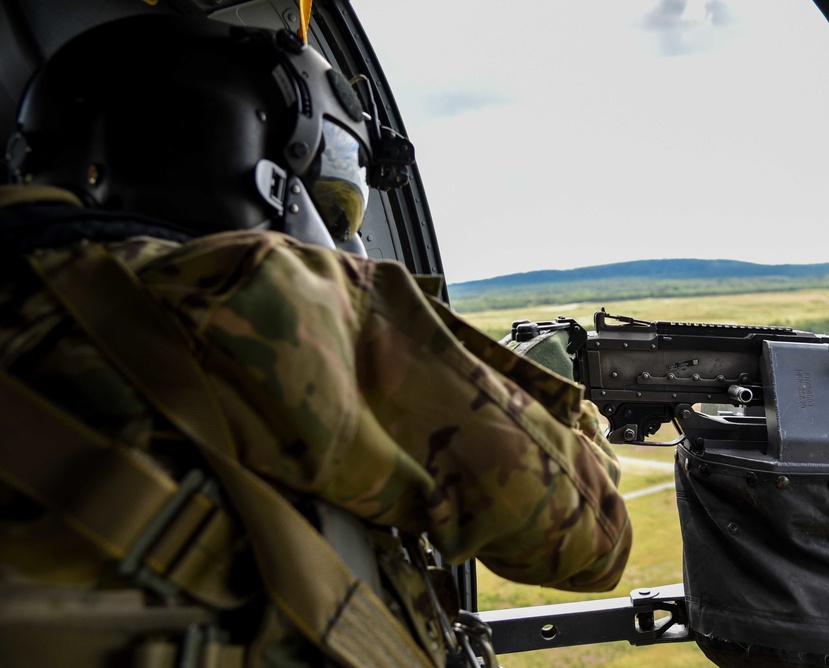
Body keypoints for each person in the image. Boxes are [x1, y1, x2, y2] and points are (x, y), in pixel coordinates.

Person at [0, 15, 631, 667]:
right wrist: (557, 402)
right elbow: (590, 536)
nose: (341, 237)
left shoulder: (29, 301)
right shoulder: (262, 294)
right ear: (248, 161)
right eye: (334, 204)